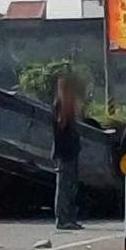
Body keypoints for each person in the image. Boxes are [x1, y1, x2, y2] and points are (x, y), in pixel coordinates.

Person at [52, 74, 83, 230]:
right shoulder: (60, 105)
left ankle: (70, 217)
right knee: (64, 186)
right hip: (64, 152)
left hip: (72, 151)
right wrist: (67, 107)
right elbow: (61, 126)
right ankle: (62, 219)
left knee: (71, 186)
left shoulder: (69, 107)